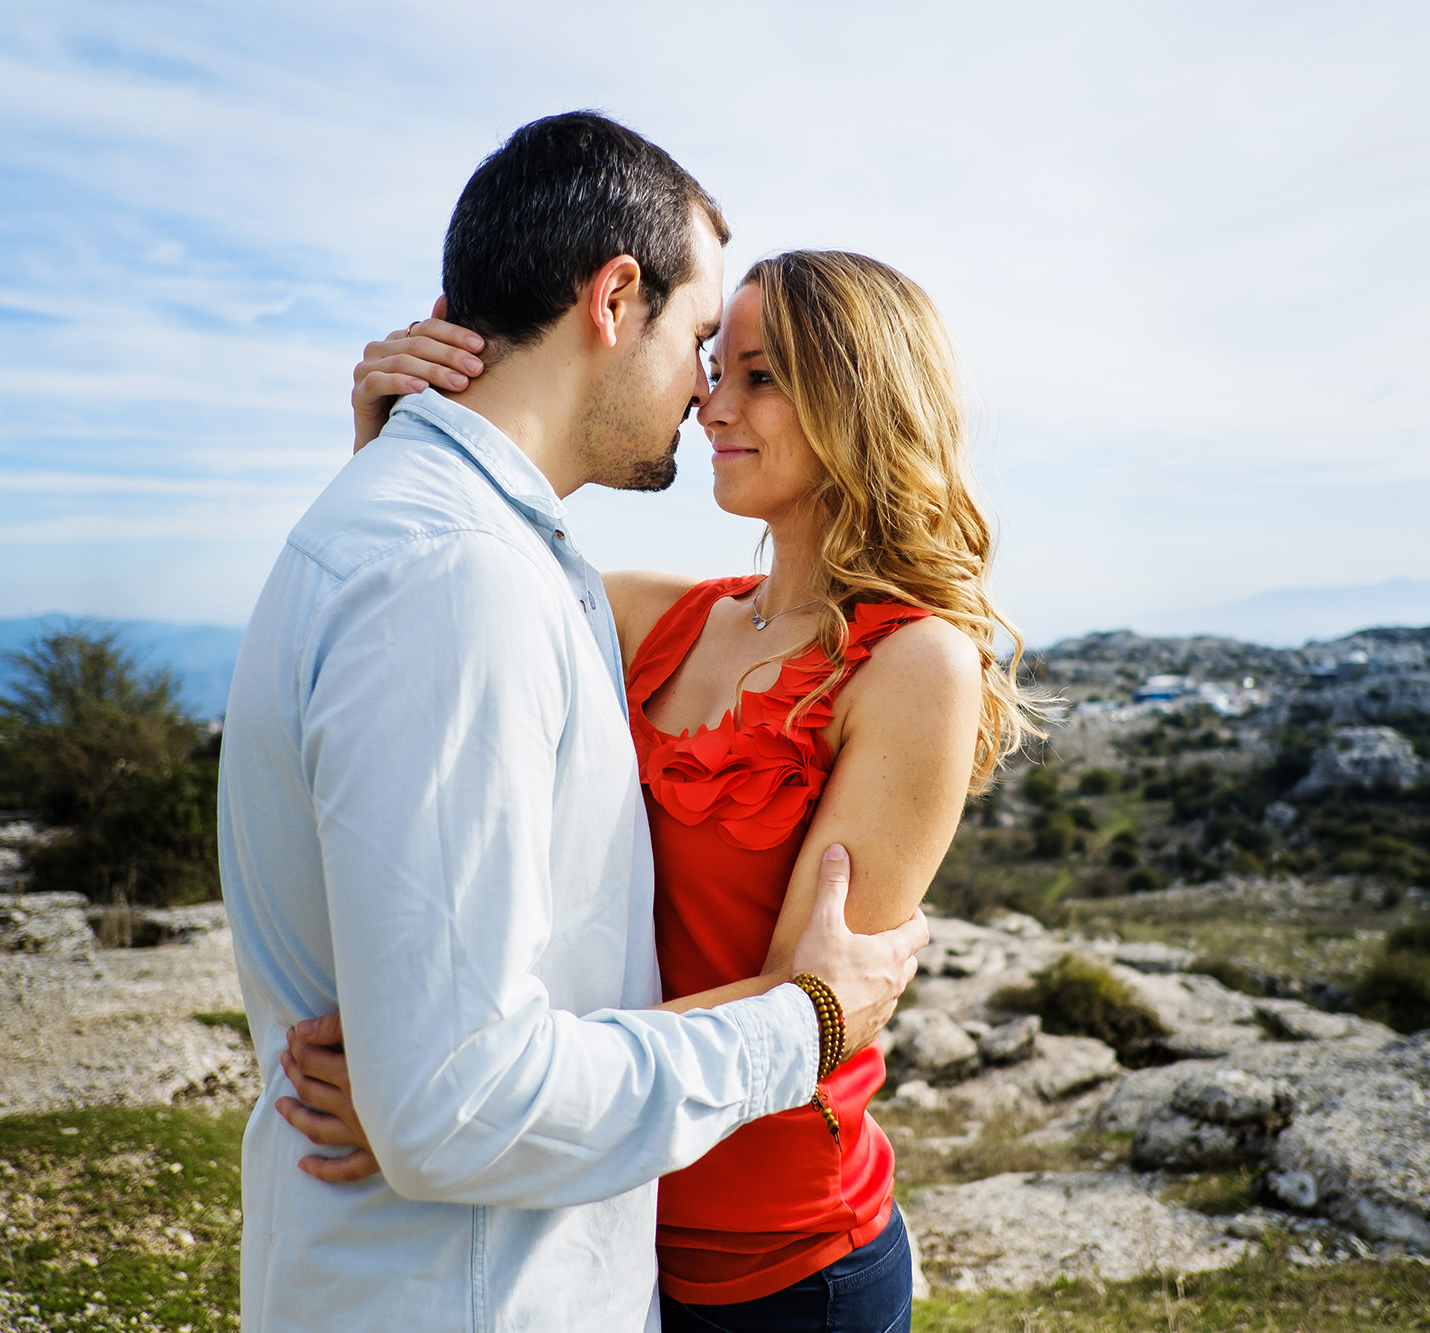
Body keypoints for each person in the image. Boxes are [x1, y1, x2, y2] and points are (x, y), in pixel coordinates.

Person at [217, 112, 930, 1333]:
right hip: (475, 1284)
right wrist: (795, 1024)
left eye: (755, 371)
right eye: (707, 344)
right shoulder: (458, 572)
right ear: (614, 298)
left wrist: (419, 1091)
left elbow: (447, 1092)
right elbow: (461, 1105)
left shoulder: (479, 556)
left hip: (678, 1249)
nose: (709, 395)